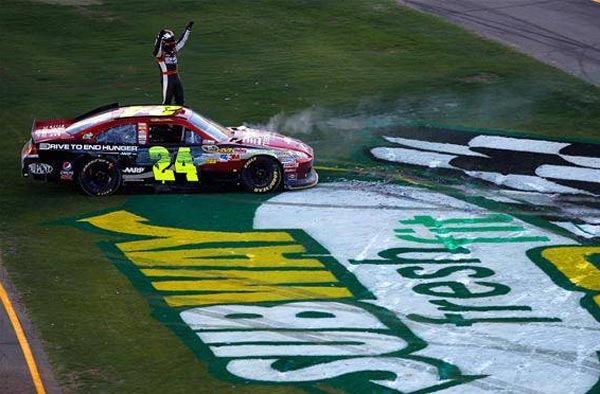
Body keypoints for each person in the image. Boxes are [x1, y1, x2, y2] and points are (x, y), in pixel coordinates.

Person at [153, 21, 194, 105]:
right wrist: (160, 37)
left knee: (180, 99)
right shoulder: (160, 54)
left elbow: (182, 41)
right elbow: (156, 51)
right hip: (167, 78)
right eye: (170, 45)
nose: (172, 47)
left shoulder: (173, 49)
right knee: (167, 102)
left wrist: (188, 29)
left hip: (176, 77)